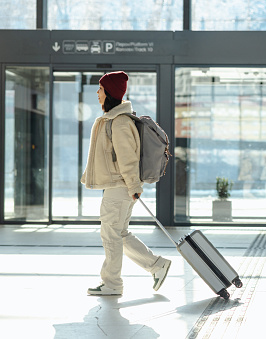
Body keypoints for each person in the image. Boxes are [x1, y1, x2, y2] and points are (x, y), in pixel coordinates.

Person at [81, 71, 171, 296]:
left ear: (109, 92)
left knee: (110, 234)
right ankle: (156, 265)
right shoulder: (114, 119)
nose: (97, 93)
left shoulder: (120, 122)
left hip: (119, 187)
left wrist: (133, 187)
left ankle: (112, 283)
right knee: (118, 233)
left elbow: (127, 158)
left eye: (100, 89)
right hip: (118, 187)